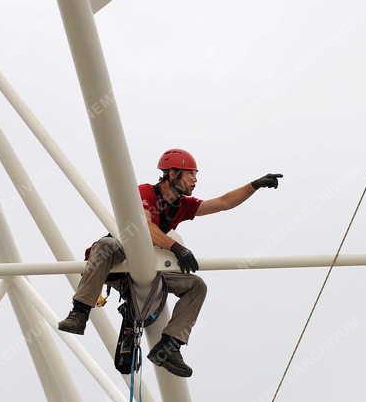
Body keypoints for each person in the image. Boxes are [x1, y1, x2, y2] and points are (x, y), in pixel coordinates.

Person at [57, 148, 282, 377]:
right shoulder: (145, 193)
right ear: (172, 173)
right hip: (119, 258)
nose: (195, 180)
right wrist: (177, 248)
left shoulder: (183, 205)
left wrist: (254, 185)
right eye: (190, 174)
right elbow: (144, 227)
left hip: (149, 264)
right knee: (104, 246)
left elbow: (223, 203)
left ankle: (169, 347)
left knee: (196, 286)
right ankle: (80, 313)